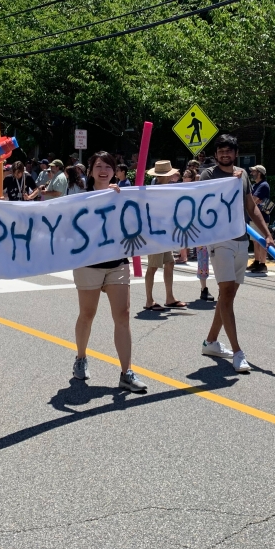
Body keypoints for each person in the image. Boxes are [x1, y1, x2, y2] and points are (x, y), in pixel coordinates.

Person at [50, 150, 147, 392]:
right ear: (90, 171)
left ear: (115, 171)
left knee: (123, 316)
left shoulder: (123, 195)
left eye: (109, 166)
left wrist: (122, 200)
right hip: (88, 264)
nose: (104, 170)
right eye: (99, 166)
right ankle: (80, 358)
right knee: (87, 314)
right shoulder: (81, 198)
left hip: (118, 263)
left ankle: (127, 372)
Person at [199, 134, 275, 374]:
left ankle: (211, 342)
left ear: (235, 154)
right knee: (227, 292)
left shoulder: (242, 175)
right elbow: (206, 202)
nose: (224, 155)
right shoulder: (208, 175)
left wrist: (267, 233)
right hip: (220, 239)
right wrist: (229, 184)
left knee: (227, 296)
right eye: (221, 151)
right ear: (215, 155)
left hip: (241, 238)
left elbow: (250, 207)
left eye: (229, 151)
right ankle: (238, 351)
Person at [143, 160, 185, 311]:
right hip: (155, 234)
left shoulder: (164, 189)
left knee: (170, 263)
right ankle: (149, 300)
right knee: (153, 267)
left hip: (164, 233)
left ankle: (170, 297)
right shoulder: (156, 191)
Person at [247, 166, 272, 273]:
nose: (252, 173)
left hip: (261, 218)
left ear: (260, 173)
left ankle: (263, 264)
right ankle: (257, 262)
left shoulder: (263, 185)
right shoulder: (256, 185)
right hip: (253, 217)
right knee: (255, 241)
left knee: (261, 241)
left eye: (254, 171)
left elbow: (254, 200)